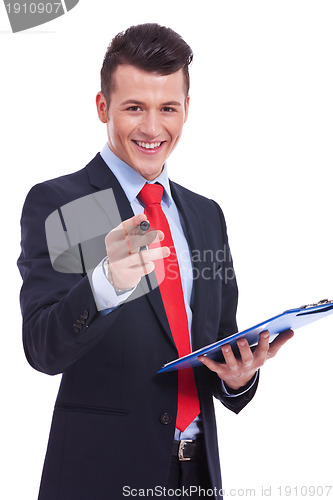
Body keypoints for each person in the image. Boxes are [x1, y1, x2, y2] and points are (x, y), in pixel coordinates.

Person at [18, 23, 293, 500]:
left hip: (197, 477)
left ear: (187, 110)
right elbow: (44, 349)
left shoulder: (206, 215)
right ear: (102, 107)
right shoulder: (64, 205)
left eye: (168, 108)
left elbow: (216, 339)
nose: (151, 128)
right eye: (133, 108)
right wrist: (104, 284)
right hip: (100, 479)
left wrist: (238, 377)